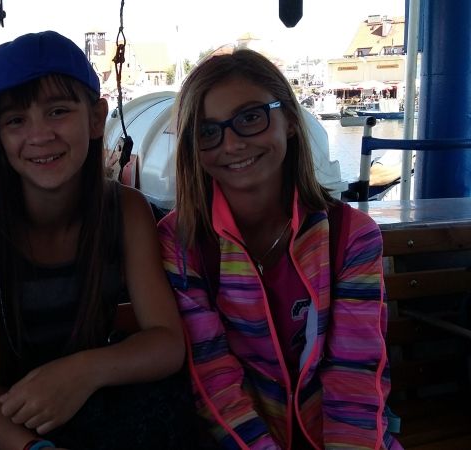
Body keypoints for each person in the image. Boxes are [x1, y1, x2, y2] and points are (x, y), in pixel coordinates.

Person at [0, 30, 200, 450]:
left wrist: (83, 372)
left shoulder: (126, 211)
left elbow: (167, 341)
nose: (39, 135)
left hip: (106, 404)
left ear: (96, 118)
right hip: (17, 425)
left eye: (58, 111)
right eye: (15, 120)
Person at [158, 48, 401, 449]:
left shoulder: (351, 237)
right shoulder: (181, 242)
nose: (232, 144)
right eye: (208, 131)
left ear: (288, 120)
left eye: (250, 118)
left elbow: (355, 376)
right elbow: (212, 376)